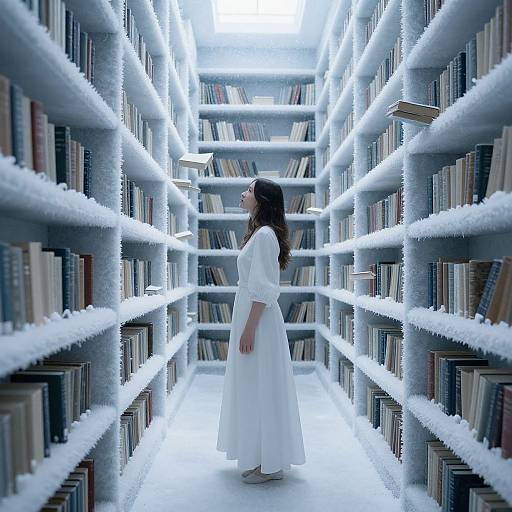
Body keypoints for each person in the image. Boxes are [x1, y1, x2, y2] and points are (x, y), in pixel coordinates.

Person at [216, 178, 306, 484]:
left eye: (250, 191)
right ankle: (262, 457)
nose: (243, 193)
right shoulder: (260, 233)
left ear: (262, 200)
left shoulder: (265, 236)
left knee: (262, 387)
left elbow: (265, 288)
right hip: (252, 315)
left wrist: (249, 329)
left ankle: (269, 464)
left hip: (259, 319)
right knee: (255, 387)